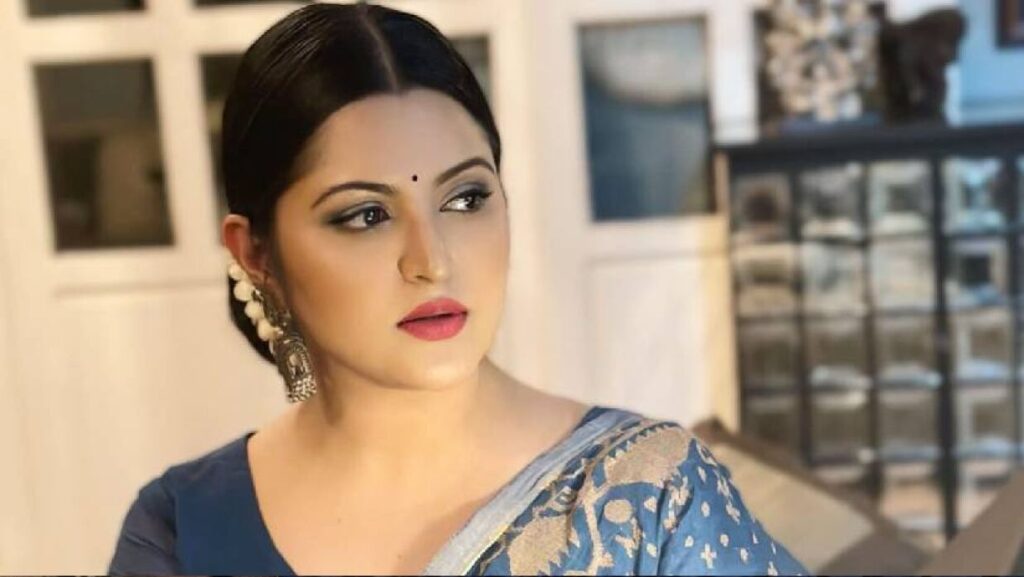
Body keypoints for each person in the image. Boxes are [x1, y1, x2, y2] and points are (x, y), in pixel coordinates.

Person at [107, 3, 808, 575]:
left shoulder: (652, 498)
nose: (432, 261)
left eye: (466, 199)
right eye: (366, 215)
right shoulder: (185, 529)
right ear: (255, 253)